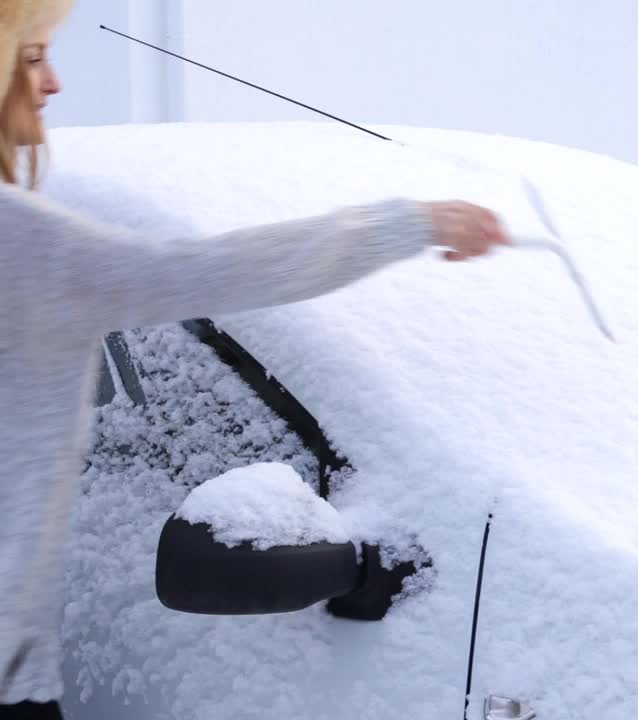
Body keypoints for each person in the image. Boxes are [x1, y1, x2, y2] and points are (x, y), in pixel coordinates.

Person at [0, 1, 511, 717]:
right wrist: (412, 224)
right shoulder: (21, 246)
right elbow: (204, 273)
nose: (53, 82)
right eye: (31, 57)